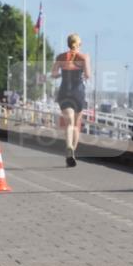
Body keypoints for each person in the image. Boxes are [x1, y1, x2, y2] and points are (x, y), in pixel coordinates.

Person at [51, 33, 91, 167]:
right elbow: (88, 75)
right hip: (78, 92)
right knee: (76, 125)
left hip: (64, 91)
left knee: (68, 123)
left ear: (68, 43)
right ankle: (72, 150)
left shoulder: (60, 57)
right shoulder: (84, 57)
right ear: (79, 44)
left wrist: (59, 75)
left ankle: (68, 146)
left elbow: (54, 74)